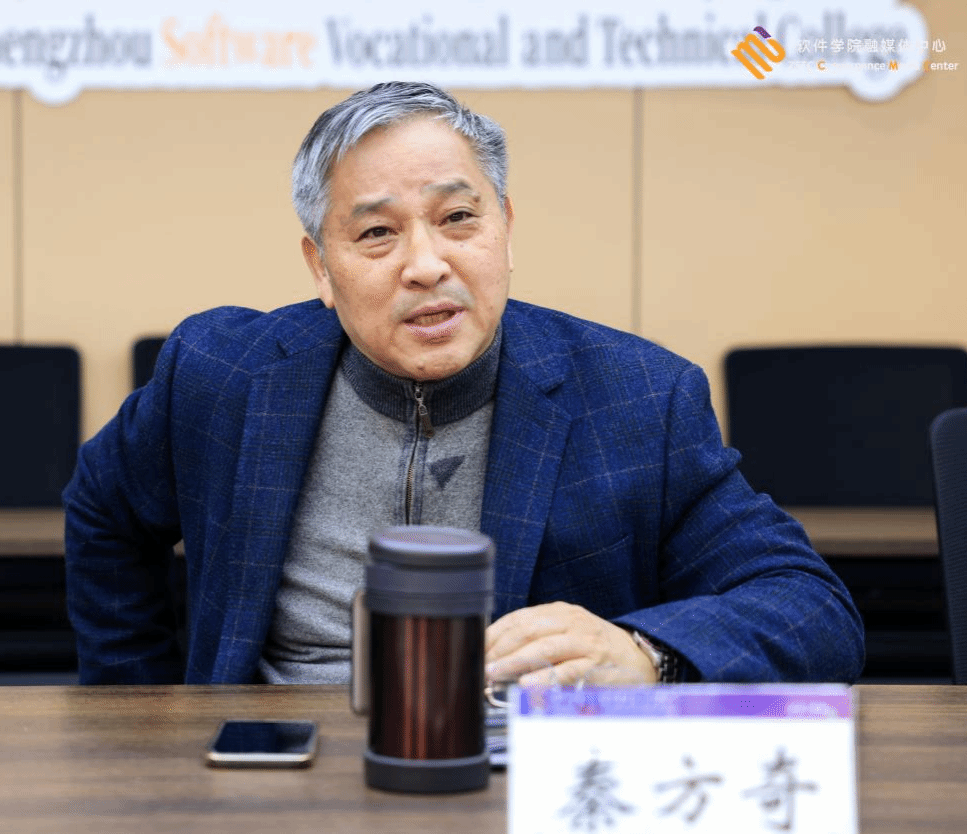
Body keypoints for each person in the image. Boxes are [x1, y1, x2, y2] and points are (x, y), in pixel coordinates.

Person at [63, 81, 864, 687]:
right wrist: (141, 713)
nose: (425, 264)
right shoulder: (223, 374)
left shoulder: (639, 400)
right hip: (278, 773)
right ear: (321, 268)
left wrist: (646, 654)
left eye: (457, 219)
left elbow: (811, 608)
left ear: (505, 230)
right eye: (377, 232)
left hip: (512, 780)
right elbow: (103, 511)